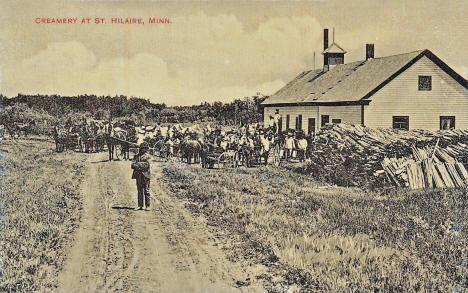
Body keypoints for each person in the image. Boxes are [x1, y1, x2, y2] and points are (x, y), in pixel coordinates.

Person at [131, 142, 152, 210]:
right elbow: (133, 165)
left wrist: (138, 165)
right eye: (142, 148)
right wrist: (141, 165)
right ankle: (140, 205)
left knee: (146, 191)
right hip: (138, 175)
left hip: (146, 176)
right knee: (139, 191)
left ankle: (147, 206)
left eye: (145, 149)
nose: (143, 150)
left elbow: (147, 165)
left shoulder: (148, 156)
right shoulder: (136, 156)